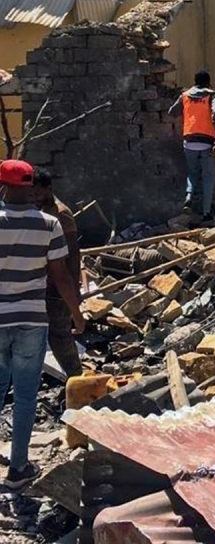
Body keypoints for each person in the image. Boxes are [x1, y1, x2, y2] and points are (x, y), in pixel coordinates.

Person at [0, 160, 85, 489]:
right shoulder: (49, 224)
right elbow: (61, 276)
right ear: (30, 187)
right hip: (32, 320)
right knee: (25, 397)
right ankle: (19, 468)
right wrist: (76, 313)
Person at [32, 169, 82, 378]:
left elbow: (73, 255)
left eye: (37, 192)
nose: (34, 197)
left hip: (57, 287)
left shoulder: (60, 214)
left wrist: (74, 290)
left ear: (49, 189)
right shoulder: (36, 209)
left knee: (60, 336)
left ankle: (76, 377)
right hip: (40, 284)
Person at [168, 70, 215, 221]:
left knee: (192, 172)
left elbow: (172, 112)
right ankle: (206, 212)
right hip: (206, 142)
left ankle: (188, 196)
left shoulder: (185, 95)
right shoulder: (212, 95)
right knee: (208, 177)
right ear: (208, 82)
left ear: (194, 81)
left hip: (188, 140)